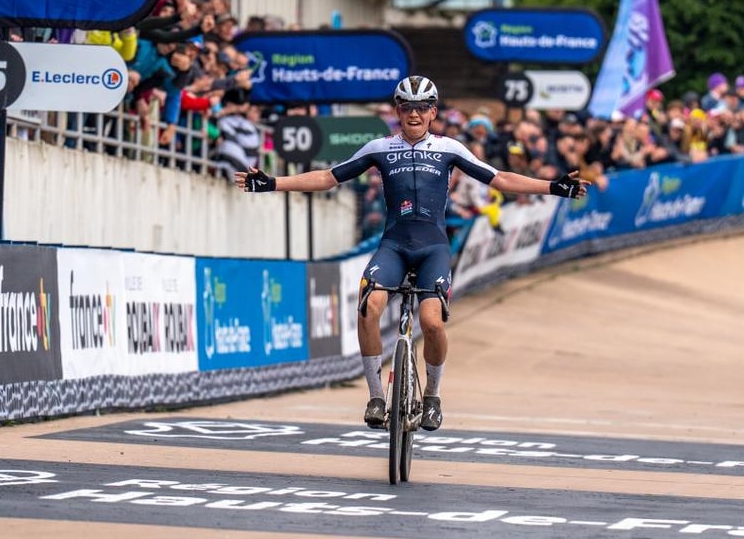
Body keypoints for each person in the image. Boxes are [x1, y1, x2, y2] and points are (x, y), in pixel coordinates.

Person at [235, 76, 587, 431]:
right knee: (368, 304)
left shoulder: (450, 148)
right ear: (397, 111)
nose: (414, 114)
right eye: (407, 107)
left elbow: (500, 179)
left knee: (432, 322)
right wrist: (272, 183)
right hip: (394, 245)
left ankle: (432, 396)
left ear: (433, 112)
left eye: (421, 108)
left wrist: (555, 187)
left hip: (433, 246)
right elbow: (328, 177)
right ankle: (375, 396)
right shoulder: (379, 147)